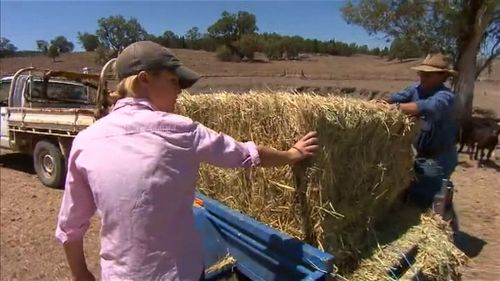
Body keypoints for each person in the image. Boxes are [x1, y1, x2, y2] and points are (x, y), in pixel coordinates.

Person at [55, 41, 319, 281]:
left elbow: (70, 227)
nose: (180, 91)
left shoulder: (86, 140)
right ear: (144, 79)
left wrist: (81, 275)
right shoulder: (180, 130)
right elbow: (245, 155)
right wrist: (291, 155)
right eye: (174, 81)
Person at [375, 53, 459, 207]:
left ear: (442, 76)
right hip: (422, 154)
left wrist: (395, 108)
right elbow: (396, 97)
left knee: (424, 199)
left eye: (428, 75)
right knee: (419, 190)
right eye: (421, 73)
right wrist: (379, 104)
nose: (422, 77)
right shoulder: (416, 89)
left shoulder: (446, 97)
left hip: (439, 157)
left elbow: (429, 107)